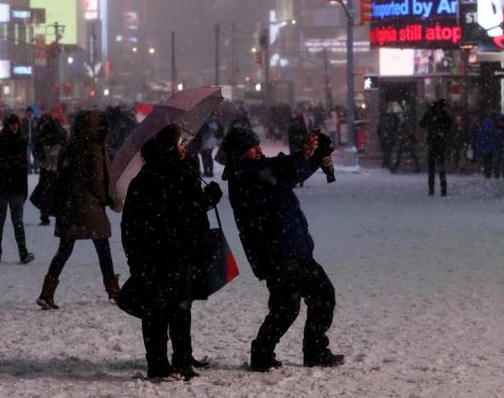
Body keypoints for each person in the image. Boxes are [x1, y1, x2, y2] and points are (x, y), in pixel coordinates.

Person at [222, 126, 344, 371]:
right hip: (275, 254)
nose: (258, 150)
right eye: (251, 148)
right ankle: (262, 353)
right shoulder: (245, 177)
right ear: (238, 154)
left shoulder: (259, 167)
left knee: (322, 295)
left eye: (257, 144)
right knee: (286, 307)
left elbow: (285, 166)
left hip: (295, 248)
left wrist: (309, 152)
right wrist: (313, 156)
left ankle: (315, 350)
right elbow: (287, 174)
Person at [121, 124, 223, 380]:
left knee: (157, 313)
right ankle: (179, 362)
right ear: (170, 148)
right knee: (178, 310)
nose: (183, 148)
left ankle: (161, 363)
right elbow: (191, 213)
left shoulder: (143, 179)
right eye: (180, 144)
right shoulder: (181, 175)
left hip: (152, 258)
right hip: (177, 255)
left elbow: (130, 225)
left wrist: (135, 258)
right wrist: (209, 198)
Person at [36, 110, 119, 310]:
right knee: (103, 249)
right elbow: (98, 181)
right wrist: (108, 199)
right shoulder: (95, 149)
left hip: (69, 206)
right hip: (91, 207)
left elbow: (62, 177)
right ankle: (113, 290)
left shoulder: (69, 147)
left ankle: (47, 292)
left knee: (64, 249)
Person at [0, 114, 35, 265]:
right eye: (12, 124)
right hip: (3, 187)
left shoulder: (19, 141)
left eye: (16, 124)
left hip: (13, 187)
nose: (14, 127)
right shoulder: (1, 141)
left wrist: (24, 189)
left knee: (14, 221)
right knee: (2, 222)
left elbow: (23, 167)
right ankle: (0, 251)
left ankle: (19, 252)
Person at [32, 113, 68, 225]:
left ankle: (45, 216)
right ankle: (58, 215)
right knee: (57, 193)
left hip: (48, 168)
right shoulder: (58, 132)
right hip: (57, 168)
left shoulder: (43, 134)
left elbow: (37, 150)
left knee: (45, 193)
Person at [420, 100, 452, 196]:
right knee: (441, 166)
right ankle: (443, 189)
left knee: (431, 167)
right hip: (440, 142)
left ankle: (431, 189)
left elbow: (422, 124)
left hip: (432, 142)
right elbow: (449, 125)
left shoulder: (430, 113)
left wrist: (430, 127)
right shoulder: (443, 114)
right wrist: (442, 130)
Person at [21, 106, 37, 173]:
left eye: (30, 112)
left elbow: (36, 130)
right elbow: (22, 130)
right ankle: (29, 169)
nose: (29, 113)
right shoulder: (23, 121)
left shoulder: (34, 120)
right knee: (27, 156)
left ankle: (35, 168)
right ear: (26, 113)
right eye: (28, 112)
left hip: (34, 141)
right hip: (26, 141)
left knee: (35, 156)